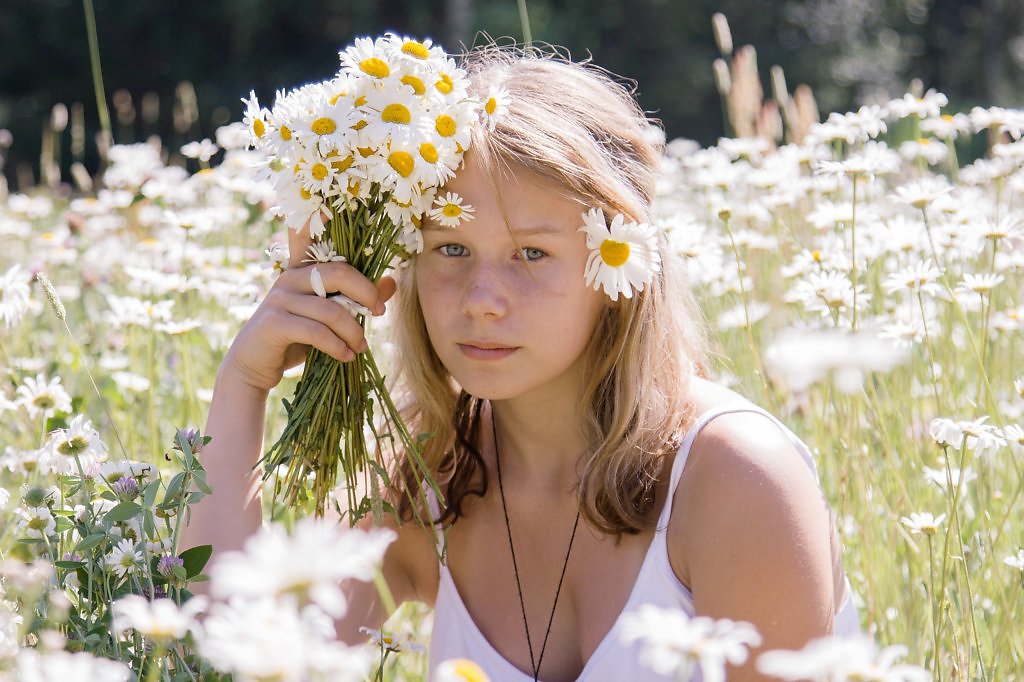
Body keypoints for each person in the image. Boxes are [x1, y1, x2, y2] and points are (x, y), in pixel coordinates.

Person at [183, 44, 858, 681]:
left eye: (531, 254)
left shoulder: (735, 478)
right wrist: (243, 385)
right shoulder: (423, 477)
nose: (482, 301)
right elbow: (231, 656)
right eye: (450, 248)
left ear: (617, 265)